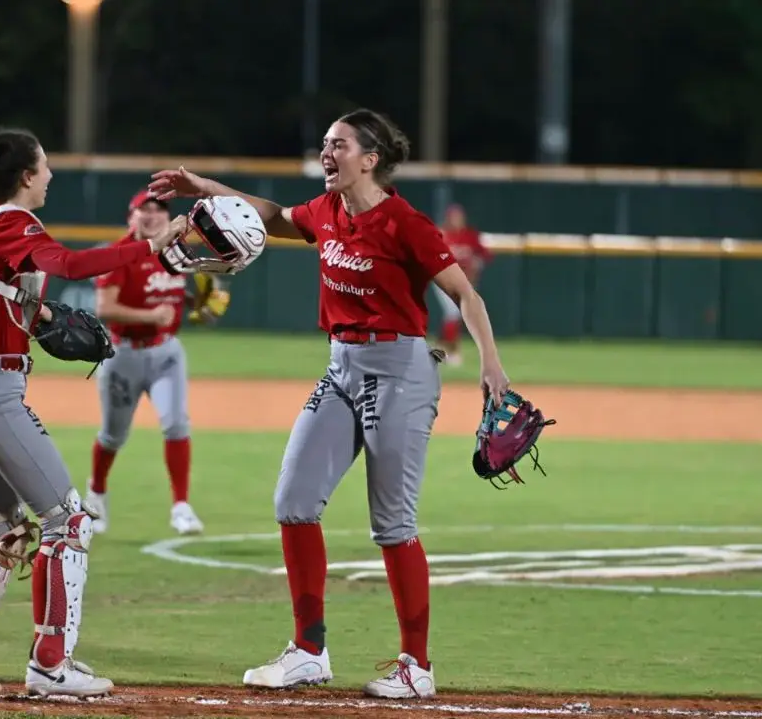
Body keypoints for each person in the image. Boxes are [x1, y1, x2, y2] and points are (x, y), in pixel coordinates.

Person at [148, 108, 511, 700]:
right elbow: (265, 215)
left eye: (338, 144)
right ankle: (308, 652)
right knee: (293, 501)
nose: (326, 152)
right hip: (341, 369)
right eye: (324, 143)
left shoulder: (405, 224)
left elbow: (465, 294)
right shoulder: (326, 212)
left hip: (400, 373)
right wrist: (203, 187)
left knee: (392, 525)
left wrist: (492, 364)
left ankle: (416, 667)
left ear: (369, 159)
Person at [0, 126, 185, 701]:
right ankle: (51, 664)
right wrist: (154, 246)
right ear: (25, 176)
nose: (51, 174)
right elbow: (68, 263)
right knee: (70, 521)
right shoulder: (15, 223)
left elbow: (5, 295)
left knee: (3, 532)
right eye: (44, 165)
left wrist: (38, 320)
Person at [84, 190, 205, 537]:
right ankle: (97, 494)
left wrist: (200, 304)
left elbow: (176, 294)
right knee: (113, 435)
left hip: (166, 352)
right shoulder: (120, 254)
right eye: (144, 210)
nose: (152, 216)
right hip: (123, 355)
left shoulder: (177, 250)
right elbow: (105, 308)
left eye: (159, 210)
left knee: (177, 425)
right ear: (131, 217)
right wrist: (152, 315)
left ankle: (181, 507)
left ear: (168, 218)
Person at [429, 203, 491, 365]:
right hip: (443, 281)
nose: (457, 220)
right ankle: (452, 351)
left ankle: (440, 347)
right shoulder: (441, 234)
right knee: (453, 312)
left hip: (464, 281)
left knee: (455, 314)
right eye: (453, 217)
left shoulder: (470, 235)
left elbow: (484, 255)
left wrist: (477, 265)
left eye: (459, 217)